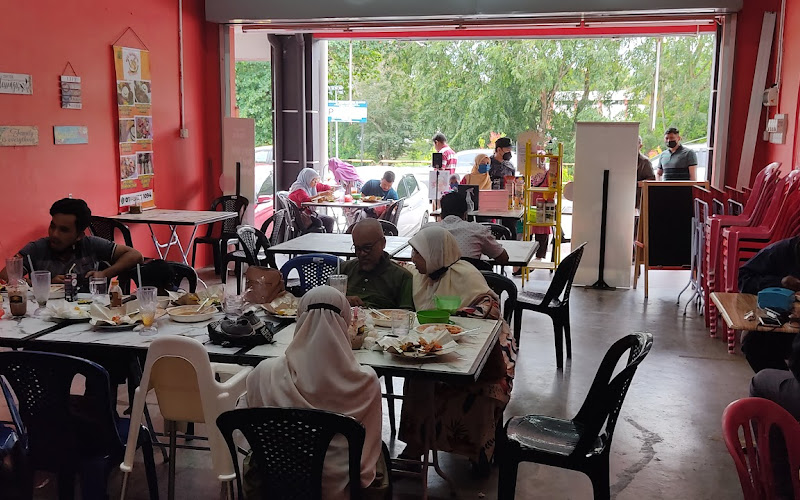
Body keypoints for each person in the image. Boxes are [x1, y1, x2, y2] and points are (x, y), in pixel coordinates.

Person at [244, 286, 388, 499]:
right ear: (345, 321)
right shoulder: (365, 381)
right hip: (344, 487)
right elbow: (370, 443)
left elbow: (247, 426)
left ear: (300, 318)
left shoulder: (265, 373)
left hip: (278, 483)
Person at [398, 225, 517, 474]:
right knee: (415, 375)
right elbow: (404, 274)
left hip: (487, 347)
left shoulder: (465, 274)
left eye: (418, 254)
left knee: (478, 388)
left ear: (434, 254)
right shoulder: (421, 276)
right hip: (437, 344)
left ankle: (479, 451)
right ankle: (416, 446)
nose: (413, 259)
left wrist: (459, 316)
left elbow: (490, 307)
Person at [0, 198, 143, 292]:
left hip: (89, 315)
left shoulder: (91, 245)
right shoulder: (37, 248)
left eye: (64, 230)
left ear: (79, 235)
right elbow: (6, 276)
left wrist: (104, 274)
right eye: (52, 226)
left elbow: (135, 255)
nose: (54, 234)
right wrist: (44, 283)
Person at [738, 236, 800, 374]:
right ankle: (784, 386)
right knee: (754, 342)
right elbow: (744, 278)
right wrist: (780, 283)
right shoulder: (782, 251)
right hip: (789, 325)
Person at [341, 219, 413, 309]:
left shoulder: (401, 277)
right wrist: (343, 300)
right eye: (357, 248)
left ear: (383, 243)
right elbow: (324, 302)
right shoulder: (343, 270)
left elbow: (406, 316)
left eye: (367, 248)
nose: (362, 254)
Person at [433, 192, 509, 265]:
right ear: (465, 214)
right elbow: (503, 258)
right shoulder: (477, 230)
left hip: (437, 278)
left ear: (441, 215)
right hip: (467, 277)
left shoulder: (427, 231)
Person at [288, 167, 335, 233]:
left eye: (316, 180)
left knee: (330, 220)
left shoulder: (310, 186)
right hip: (300, 216)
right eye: (313, 180)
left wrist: (330, 188)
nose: (315, 183)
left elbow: (322, 187)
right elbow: (305, 200)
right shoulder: (298, 188)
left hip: (309, 213)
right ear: (307, 179)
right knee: (320, 222)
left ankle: (326, 239)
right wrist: (320, 195)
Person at [636, 136, 656, 209]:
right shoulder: (623, 159)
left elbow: (652, 180)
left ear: (640, 146)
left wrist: (637, 183)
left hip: (639, 199)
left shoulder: (645, 161)